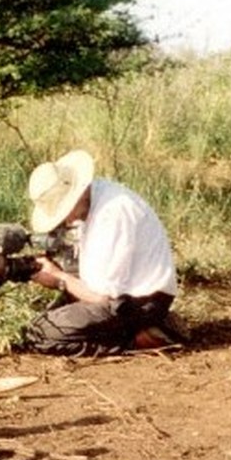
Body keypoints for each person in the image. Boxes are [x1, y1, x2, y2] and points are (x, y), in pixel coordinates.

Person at [21, 149, 180, 355]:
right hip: (122, 294)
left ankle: (135, 340)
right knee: (44, 322)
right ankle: (138, 329)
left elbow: (103, 297)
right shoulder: (98, 196)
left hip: (139, 303)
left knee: (40, 334)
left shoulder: (113, 214)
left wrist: (60, 279)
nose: (63, 220)